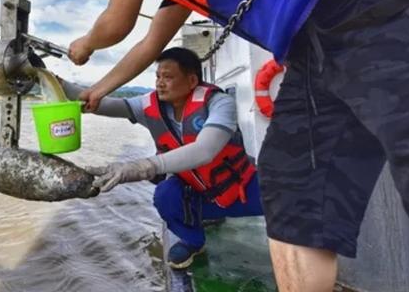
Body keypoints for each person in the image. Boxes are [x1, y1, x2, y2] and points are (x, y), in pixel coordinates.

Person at [68, 0, 409, 291]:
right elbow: (149, 45)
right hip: (313, 39)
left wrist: (86, 44)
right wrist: (96, 90)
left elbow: (119, 22)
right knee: (292, 191)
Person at [63, 47, 262, 269]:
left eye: (168, 77)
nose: (159, 83)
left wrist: (144, 166)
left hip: (242, 188)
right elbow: (99, 103)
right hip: (198, 194)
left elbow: (206, 150)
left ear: (192, 80)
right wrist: (51, 79)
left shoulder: (219, 103)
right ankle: (193, 241)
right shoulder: (148, 105)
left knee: (293, 203)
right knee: (165, 195)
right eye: (157, 76)